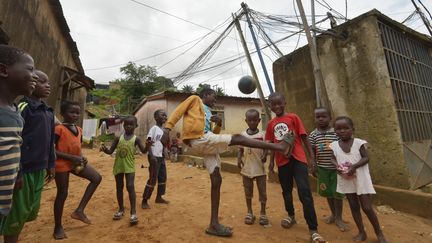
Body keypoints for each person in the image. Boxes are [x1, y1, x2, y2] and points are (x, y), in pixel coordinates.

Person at [162, 88, 293, 237]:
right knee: (238, 138)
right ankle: (279, 147)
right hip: (198, 139)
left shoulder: (209, 113)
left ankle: (213, 224)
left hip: (206, 142)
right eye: (213, 97)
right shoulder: (194, 99)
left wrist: (217, 124)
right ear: (205, 95)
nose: (215, 100)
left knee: (216, 179)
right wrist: (167, 128)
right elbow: (179, 110)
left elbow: (215, 137)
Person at [1, 70, 55, 243]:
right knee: (17, 214)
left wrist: (51, 163)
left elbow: (50, 140)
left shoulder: (48, 112)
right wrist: (18, 171)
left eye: (48, 82)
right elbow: (15, 142)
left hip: (40, 169)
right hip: (24, 171)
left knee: (27, 210)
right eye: (42, 81)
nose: (47, 85)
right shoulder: (23, 108)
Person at [265, 92, 325, 243]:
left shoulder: (293, 117)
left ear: (285, 103)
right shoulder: (271, 124)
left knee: (304, 191)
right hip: (282, 161)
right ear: (269, 106)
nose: (277, 106)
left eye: (279, 103)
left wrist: (312, 157)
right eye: (273, 104)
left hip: (298, 159)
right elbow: (272, 145)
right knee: (286, 191)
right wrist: (271, 162)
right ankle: (291, 216)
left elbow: (304, 137)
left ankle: (313, 229)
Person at [331, 116, 387, 243]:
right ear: (335, 131)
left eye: (346, 128)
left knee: (367, 207)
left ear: (352, 129)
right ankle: (361, 232)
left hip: (360, 178)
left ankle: (379, 233)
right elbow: (332, 158)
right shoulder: (334, 145)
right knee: (353, 206)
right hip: (346, 179)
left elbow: (366, 158)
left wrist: (354, 166)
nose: (342, 131)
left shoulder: (359, 143)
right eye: (338, 129)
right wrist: (337, 166)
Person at [0, 45, 37, 237]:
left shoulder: (15, 112)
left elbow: (14, 149)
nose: (35, 76)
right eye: (30, 69)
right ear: (4, 70)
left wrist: (18, 173)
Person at [53, 101, 102, 240]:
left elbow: (76, 148)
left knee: (96, 178)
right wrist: (72, 157)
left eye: (77, 113)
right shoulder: (58, 129)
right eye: (71, 112)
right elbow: (51, 150)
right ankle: (58, 226)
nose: (75, 115)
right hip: (61, 163)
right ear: (62, 114)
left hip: (75, 162)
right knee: (62, 193)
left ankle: (79, 211)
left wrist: (82, 157)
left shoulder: (79, 130)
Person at [101, 116, 147, 225]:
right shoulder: (118, 138)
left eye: (131, 124)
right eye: (126, 124)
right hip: (118, 166)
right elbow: (111, 151)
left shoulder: (136, 139)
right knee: (119, 187)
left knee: (130, 187)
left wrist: (148, 146)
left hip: (129, 167)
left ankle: (133, 212)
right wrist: (105, 150)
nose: (128, 126)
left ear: (136, 126)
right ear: (123, 125)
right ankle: (121, 209)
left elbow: (144, 151)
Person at [309, 107, 347, 232]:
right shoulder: (313, 135)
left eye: (323, 116)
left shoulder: (336, 133)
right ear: (314, 119)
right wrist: (313, 163)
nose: (320, 119)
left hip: (337, 169)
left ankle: (339, 218)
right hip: (322, 169)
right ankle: (333, 215)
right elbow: (312, 151)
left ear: (330, 118)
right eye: (317, 117)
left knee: (338, 194)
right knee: (328, 193)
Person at [237, 109, 269, 226]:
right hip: (247, 168)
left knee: (262, 192)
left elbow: (266, 148)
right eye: (250, 120)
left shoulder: (262, 135)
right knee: (248, 191)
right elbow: (240, 148)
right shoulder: (243, 135)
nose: (252, 122)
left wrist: (265, 155)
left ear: (259, 121)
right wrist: (239, 158)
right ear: (246, 121)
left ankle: (263, 213)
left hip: (259, 169)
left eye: (255, 120)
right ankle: (249, 212)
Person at [142, 110, 169, 209]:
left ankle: (159, 197)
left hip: (161, 157)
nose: (165, 117)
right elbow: (148, 142)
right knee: (153, 178)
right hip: (154, 157)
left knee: (163, 177)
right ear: (156, 117)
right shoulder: (154, 129)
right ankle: (145, 199)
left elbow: (163, 144)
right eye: (162, 115)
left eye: (166, 115)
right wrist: (151, 155)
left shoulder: (164, 130)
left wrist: (165, 152)